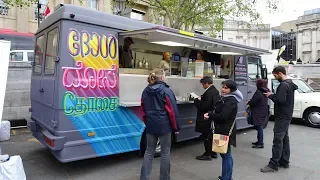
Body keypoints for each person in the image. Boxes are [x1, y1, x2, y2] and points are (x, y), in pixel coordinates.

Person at [140, 68, 181, 180]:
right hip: (164, 125)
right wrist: (176, 127)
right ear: (162, 77)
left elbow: (143, 109)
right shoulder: (166, 91)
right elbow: (172, 111)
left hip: (150, 125)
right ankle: (164, 178)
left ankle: (144, 177)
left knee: (149, 151)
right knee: (165, 152)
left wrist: (147, 122)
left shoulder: (145, 91)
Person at [261, 66, 298, 173]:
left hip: (281, 116)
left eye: (275, 75)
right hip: (287, 115)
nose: (275, 77)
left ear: (280, 73)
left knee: (277, 140)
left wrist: (271, 96)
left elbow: (280, 100)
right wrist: (273, 95)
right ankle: (284, 161)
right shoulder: (290, 83)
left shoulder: (283, 85)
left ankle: (273, 164)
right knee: (284, 139)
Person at [204, 80, 243, 180]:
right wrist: (210, 113)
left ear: (232, 90)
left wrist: (210, 116)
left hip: (224, 131)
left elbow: (223, 116)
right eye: (223, 87)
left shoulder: (230, 101)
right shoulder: (226, 99)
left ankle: (226, 178)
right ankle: (227, 177)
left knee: (226, 155)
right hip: (223, 130)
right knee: (225, 154)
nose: (223, 89)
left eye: (226, 88)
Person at [194, 76, 220, 160]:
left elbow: (204, 106)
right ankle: (213, 152)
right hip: (212, 115)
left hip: (206, 117)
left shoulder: (208, 93)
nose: (202, 86)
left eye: (203, 84)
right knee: (211, 135)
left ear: (207, 83)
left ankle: (207, 153)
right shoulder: (215, 90)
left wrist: (196, 100)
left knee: (206, 135)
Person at [247, 79, 270, 149]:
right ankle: (259, 141)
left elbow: (254, 101)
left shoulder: (259, 92)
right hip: (262, 111)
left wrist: (249, 102)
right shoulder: (265, 91)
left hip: (258, 111)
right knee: (259, 126)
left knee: (259, 127)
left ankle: (260, 143)